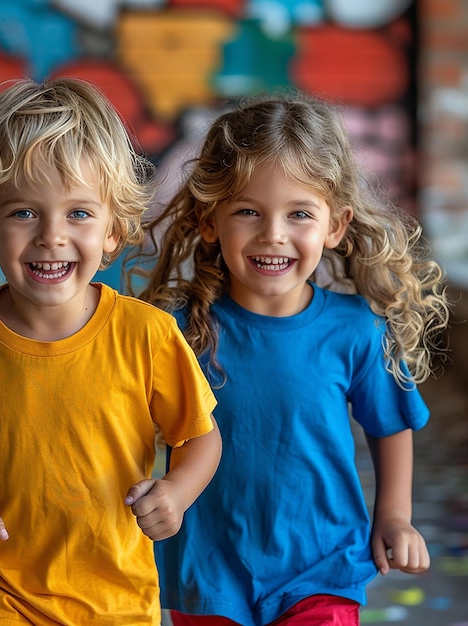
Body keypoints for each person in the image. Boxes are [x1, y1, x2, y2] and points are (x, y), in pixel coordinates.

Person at [0, 76, 221, 626]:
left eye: (79, 213)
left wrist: (177, 491)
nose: (51, 235)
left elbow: (201, 437)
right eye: (23, 212)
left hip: (111, 593)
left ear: (114, 229)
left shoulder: (147, 335)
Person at [130, 92, 450, 625]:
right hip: (208, 568)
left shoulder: (356, 328)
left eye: (299, 213)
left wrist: (394, 516)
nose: (273, 233)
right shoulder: (177, 329)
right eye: (248, 212)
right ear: (211, 221)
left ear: (335, 226)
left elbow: (390, 423)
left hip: (322, 564)